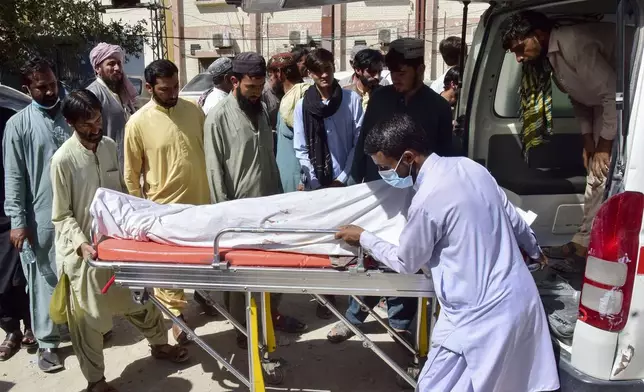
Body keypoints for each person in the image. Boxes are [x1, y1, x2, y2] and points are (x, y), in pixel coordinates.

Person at [335, 113, 560, 391]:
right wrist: (536, 252)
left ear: (408, 157)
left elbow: (406, 261)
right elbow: (513, 219)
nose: (384, 174)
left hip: (475, 317)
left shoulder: (428, 198)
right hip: (519, 300)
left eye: (385, 167)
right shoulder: (470, 167)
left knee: (433, 386)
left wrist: (365, 237)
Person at [50, 89, 189, 392]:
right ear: (72, 123)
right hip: (83, 256)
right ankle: (96, 381)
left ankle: (159, 345)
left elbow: (120, 194)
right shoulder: (63, 160)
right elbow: (60, 216)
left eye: (98, 119)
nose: (96, 127)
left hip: (115, 247)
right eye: (87, 124)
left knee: (140, 301)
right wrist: (80, 243)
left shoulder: (110, 147)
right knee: (86, 321)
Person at [501, 11, 618, 273]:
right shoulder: (551, 58)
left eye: (520, 48)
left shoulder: (573, 43)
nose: (519, 58)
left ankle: (585, 244)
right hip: (603, 106)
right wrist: (588, 140)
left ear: (538, 34)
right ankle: (583, 242)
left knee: (602, 172)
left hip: (623, 102)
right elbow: (581, 98)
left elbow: (611, 92)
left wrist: (604, 146)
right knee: (595, 175)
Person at [204, 52, 307, 346]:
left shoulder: (259, 109)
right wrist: (224, 216)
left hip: (269, 207)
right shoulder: (217, 118)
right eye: (250, 87)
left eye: (260, 86)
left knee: (272, 272)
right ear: (234, 81)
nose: (256, 92)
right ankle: (244, 333)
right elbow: (214, 171)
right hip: (238, 213)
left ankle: (271, 318)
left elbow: (268, 160)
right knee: (241, 279)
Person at [124, 59, 214, 344]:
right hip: (163, 208)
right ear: (150, 88)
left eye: (176, 86)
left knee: (203, 261)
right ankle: (176, 318)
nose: (173, 93)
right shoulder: (137, 123)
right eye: (165, 89)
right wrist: (141, 213)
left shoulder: (194, 112)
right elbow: (131, 174)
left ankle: (204, 295)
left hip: (200, 201)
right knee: (169, 268)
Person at [3, 57, 69, 372]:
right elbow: (13, 179)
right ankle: (47, 342)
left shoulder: (70, 116)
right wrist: (18, 222)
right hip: (40, 216)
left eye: (53, 84)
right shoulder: (18, 126)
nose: (50, 91)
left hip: (75, 212)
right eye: (42, 87)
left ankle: (78, 328)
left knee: (77, 273)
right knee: (44, 279)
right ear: (27, 89)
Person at [292, 48, 363, 318]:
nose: (324, 75)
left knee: (348, 242)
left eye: (328, 69)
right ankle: (326, 297)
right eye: (318, 71)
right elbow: (300, 148)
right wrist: (314, 180)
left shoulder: (351, 100)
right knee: (323, 242)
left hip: (347, 185)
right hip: (317, 187)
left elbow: (359, 142)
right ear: (309, 74)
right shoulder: (302, 106)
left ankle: (353, 298)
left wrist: (342, 178)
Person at [0, 107, 33, 362]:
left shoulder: (8, 120)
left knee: (23, 274)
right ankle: (10, 330)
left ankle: (33, 325)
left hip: (13, 210)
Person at [86, 42, 138, 170]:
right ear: (97, 68)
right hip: (107, 168)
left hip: (127, 166)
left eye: (119, 63)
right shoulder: (93, 94)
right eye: (111, 64)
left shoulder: (121, 93)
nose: (117, 68)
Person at [275, 53, 309, 193]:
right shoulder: (286, 101)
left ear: (279, 74)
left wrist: (304, 178)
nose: (269, 80)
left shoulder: (300, 98)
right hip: (285, 179)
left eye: (270, 75)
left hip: (298, 181)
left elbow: (309, 142)